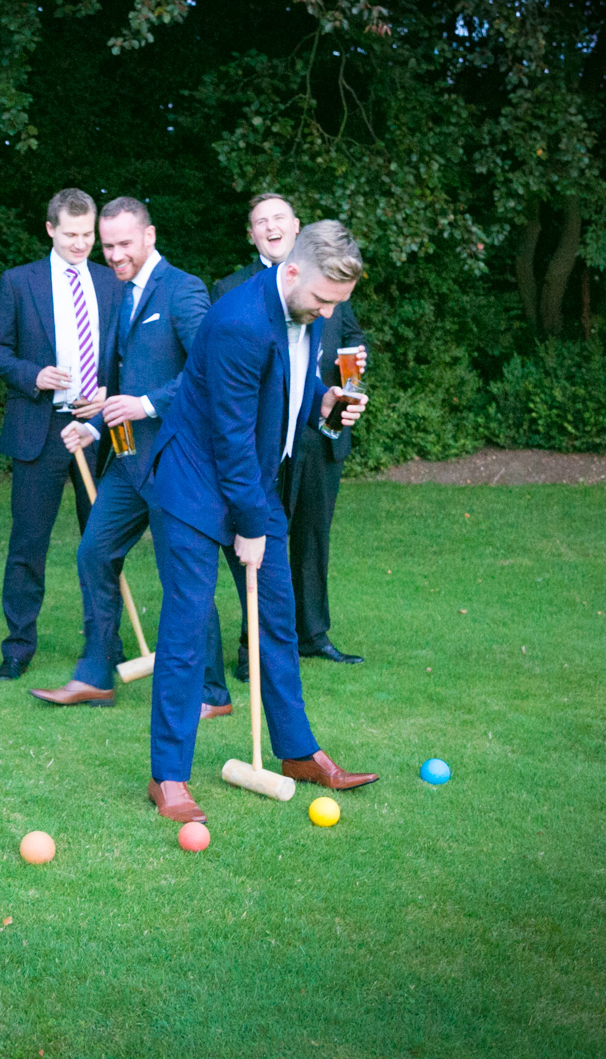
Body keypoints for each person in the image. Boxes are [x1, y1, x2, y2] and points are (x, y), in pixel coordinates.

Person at [143, 220, 379, 824]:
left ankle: (297, 752)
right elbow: (230, 436)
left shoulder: (305, 310)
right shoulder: (239, 323)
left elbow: (290, 384)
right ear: (290, 270)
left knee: (277, 615)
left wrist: (323, 401)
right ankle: (167, 775)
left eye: (338, 303)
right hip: (195, 485)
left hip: (252, 481)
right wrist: (251, 527)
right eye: (323, 299)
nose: (329, 313)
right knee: (187, 628)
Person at [28, 197, 226, 712]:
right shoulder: (123, 294)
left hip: (176, 462)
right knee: (94, 553)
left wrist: (146, 404)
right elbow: (119, 382)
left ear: (149, 237)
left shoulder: (182, 289)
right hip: (129, 461)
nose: (114, 255)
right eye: (108, 245)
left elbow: (209, 371)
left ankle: (211, 691)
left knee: (182, 574)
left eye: (124, 244)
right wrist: (93, 427)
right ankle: (95, 675)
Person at [218, 194, 369, 665]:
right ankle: (253, 645)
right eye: (261, 221)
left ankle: (310, 635)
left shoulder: (328, 292)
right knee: (258, 543)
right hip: (259, 442)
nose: (271, 226)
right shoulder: (235, 294)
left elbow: (345, 338)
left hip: (315, 433)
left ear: (296, 226)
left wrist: (338, 387)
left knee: (311, 539)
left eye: (279, 217)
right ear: (252, 234)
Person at [0, 188, 120, 680]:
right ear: (50, 230)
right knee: (28, 545)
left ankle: (105, 642)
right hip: (41, 430)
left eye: (88, 235)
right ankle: (18, 646)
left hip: (97, 429)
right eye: (71, 234)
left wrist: (109, 393)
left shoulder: (112, 282)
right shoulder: (19, 282)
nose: (81, 244)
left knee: (103, 541)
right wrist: (33, 375)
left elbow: (127, 354)